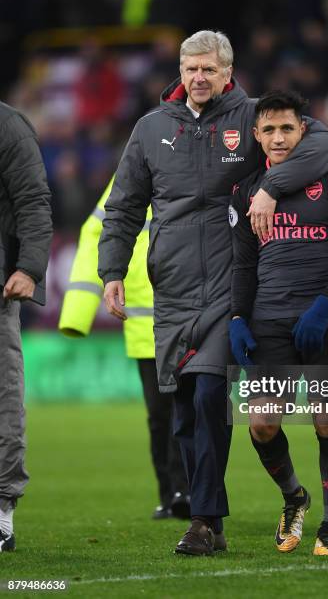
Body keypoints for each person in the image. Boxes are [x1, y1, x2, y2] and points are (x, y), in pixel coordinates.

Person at [98, 30, 328, 556]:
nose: (199, 78)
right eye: (191, 69)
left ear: (228, 73)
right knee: (184, 408)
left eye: (209, 69)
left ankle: (205, 521)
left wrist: (273, 187)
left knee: (210, 391)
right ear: (180, 72)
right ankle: (229, 511)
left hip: (234, 287)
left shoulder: (253, 118)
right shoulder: (151, 128)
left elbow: (323, 143)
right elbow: (122, 207)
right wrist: (111, 269)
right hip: (175, 288)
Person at [229, 90, 328, 556]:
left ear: (303, 130)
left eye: (287, 128)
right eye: (268, 129)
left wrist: (325, 304)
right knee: (262, 423)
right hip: (268, 321)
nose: (277, 137)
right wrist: (237, 317)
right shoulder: (247, 190)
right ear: (256, 135)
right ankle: (295, 498)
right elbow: (243, 265)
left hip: (325, 321)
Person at [58, 177, 190, 521]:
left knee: (187, 409)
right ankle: (170, 494)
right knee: (161, 416)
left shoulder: (193, 165)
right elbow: (94, 233)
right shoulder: (130, 177)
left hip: (191, 317)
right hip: (145, 323)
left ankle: (185, 491)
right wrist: (77, 312)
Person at [0, 101, 52, 552]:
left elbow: (33, 200)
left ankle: (1, 511)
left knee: (2, 397)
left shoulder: (8, 126)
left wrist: (30, 268)